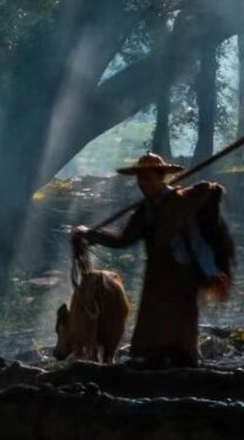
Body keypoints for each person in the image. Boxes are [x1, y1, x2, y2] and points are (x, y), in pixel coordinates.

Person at [73, 151, 235, 367]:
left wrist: (210, 270)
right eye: (140, 179)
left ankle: (185, 363)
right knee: (151, 326)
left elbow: (197, 242)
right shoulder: (145, 212)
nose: (143, 184)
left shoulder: (181, 202)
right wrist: (90, 235)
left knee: (181, 327)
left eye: (148, 178)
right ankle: (151, 363)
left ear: (161, 178)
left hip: (182, 275)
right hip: (156, 275)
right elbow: (123, 240)